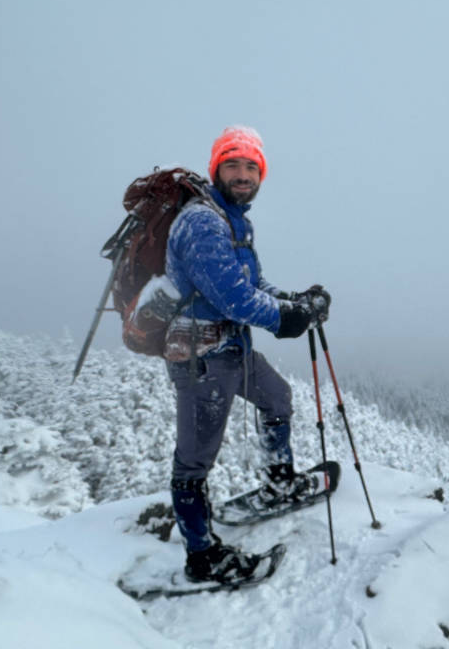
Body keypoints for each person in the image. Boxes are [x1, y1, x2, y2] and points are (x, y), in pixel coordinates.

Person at [163, 125, 330, 584]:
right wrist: (286, 319)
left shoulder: (234, 219)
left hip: (233, 347)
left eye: (251, 167)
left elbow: (253, 285)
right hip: (201, 356)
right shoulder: (202, 222)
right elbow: (234, 298)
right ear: (216, 169)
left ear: (261, 174)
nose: (242, 174)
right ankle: (201, 556)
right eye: (232, 165)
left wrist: (293, 300)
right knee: (194, 461)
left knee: (276, 398)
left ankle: (280, 481)